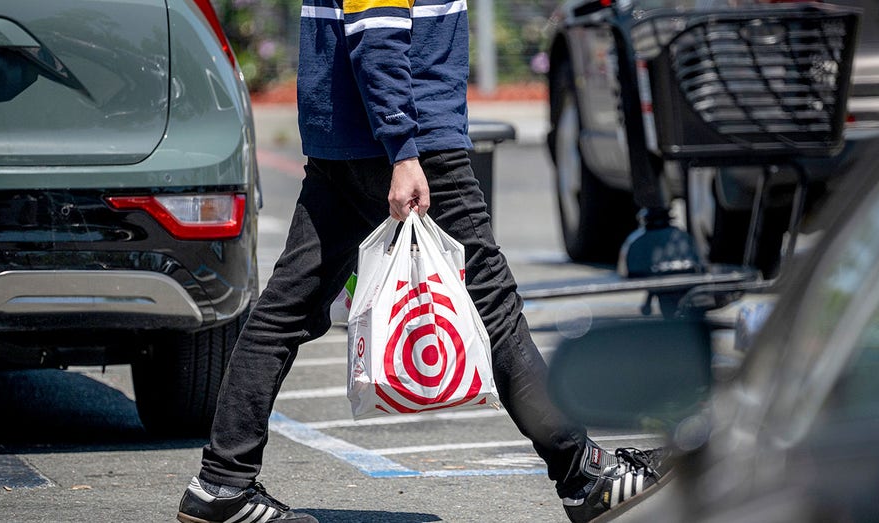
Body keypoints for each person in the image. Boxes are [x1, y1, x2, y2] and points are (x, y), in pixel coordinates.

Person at [176, 2, 665, 522]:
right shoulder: (405, 145)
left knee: (285, 308)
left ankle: (222, 484)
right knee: (492, 308)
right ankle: (583, 476)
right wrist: (403, 151)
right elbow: (376, 31)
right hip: (411, 140)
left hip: (348, 135)